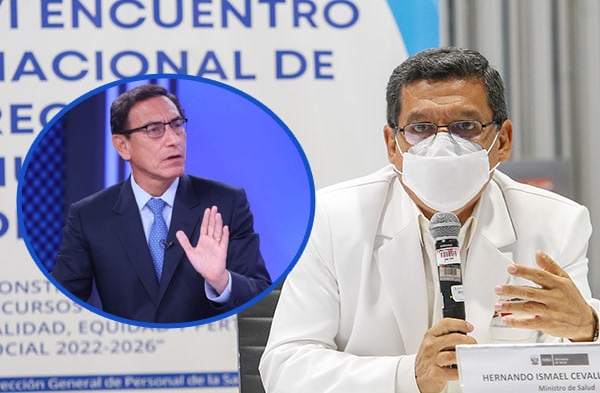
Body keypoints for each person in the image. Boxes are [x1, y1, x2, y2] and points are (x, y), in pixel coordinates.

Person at [259, 47, 600, 393]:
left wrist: (587, 330)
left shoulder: (557, 223)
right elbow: (285, 368)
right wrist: (409, 376)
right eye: (420, 128)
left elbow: (571, 370)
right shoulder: (331, 220)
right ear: (392, 144)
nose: (443, 145)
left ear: (503, 140)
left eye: (465, 126)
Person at [52, 84, 271, 324]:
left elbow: (262, 298)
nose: (173, 140)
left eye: (177, 125)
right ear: (123, 146)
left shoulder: (225, 203)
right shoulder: (89, 216)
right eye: (154, 129)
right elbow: (61, 306)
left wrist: (221, 280)